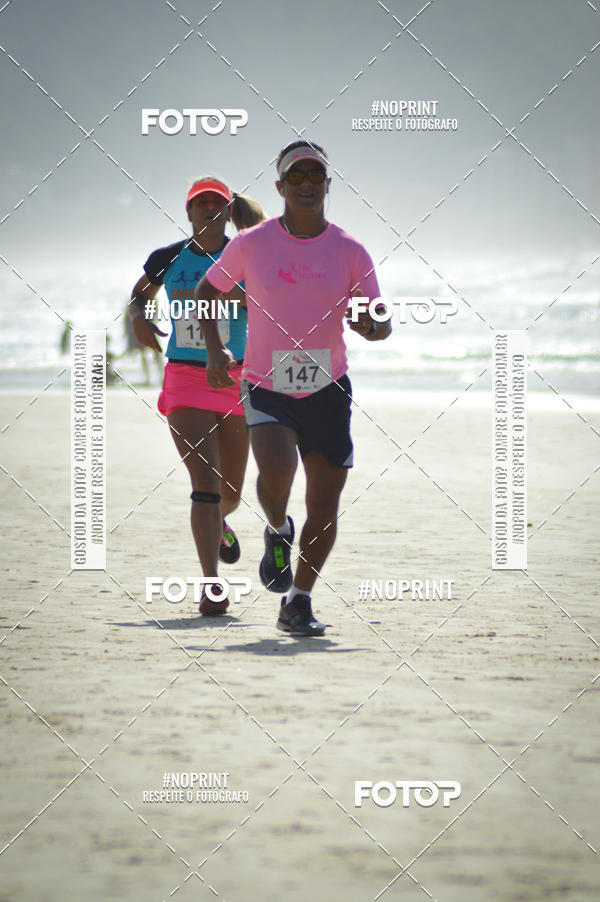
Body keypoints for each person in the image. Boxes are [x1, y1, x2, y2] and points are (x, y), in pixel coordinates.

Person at [193, 141, 391, 636]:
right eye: (295, 176)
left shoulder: (350, 250)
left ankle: (298, 601)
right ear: (280, 187)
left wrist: (371, 326)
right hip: (266, 383)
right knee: (277, 469)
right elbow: (206, 291)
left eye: (315, 175)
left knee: (324, 503)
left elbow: (380, 317)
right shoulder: (252, 243)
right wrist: (216, 352)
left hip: (328, 388)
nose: (306, 183)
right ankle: (277, 528)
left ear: (328, 185)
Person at [129, 177, 266, 615]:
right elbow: (141, 293)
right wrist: (139, 318)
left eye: (216, 202)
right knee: (204, 485)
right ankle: (211, 585)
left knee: (230, 492)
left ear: (227, 211)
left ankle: (221, 523)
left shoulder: (246, 255)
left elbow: (270, 303)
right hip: (186, 380)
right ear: (188, 212)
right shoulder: (168, 258)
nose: (208, 208)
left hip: (236, 380)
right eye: (200, 202)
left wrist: (247, 299)